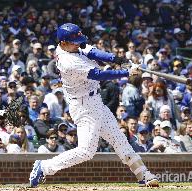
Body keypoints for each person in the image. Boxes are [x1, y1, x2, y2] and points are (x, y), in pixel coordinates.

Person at [29, 23, 159, 188]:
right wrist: (127, 72)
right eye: (74, 41)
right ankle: (44, 167)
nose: (78, 44)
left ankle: (143, 175)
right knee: (86, 151)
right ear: (63, 43)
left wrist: (119, 60)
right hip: (84, 107)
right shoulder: (68, 60)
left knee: (119, 140)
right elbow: (98, 74)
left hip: (95, 102)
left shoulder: (70, 45)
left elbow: (92, 51)